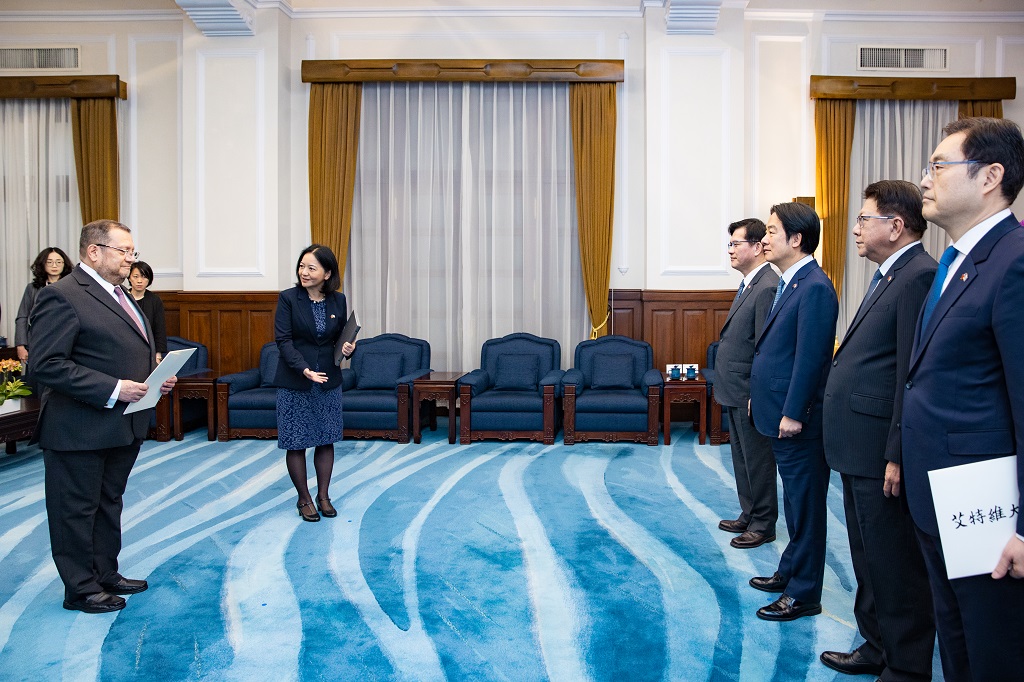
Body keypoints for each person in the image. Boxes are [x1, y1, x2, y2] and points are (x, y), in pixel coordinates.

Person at [902, 116, 1024, 680]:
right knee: (954, 642)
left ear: (990, 176)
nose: (925, 179)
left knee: (990, 650)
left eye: (938, 166)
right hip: (938, 496)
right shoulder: (956, 262)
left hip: (989, 513)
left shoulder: (1014, 259)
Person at [820, 180, 936, 680]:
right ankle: (875, 645)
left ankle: (906, 667)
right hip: (856, 446)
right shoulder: (890, 275)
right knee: (867, 556)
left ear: (895, 225)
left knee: (894, 565)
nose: (855, 229)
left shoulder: (917, 276)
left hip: (878, 451)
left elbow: (912, 373)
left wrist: (896, 451)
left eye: (863, 219)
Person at [29, 219, 176, 614]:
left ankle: (105, 574)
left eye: (133, 252)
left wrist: (154, 380)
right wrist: (114, 388)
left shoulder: (122, 294)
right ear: (94, 251)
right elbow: (46, 364)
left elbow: (121, 349)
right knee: (75, 509)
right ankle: (80, 588)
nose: (132, 258)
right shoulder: (62, 295)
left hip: (121, 425)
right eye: (125, 251)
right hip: (78, 427)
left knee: (108, 502)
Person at [748, 201, 838, 621]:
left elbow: (811, 357)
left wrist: (794, 411)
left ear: (796, 238)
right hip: (776, 410)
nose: (764, 239)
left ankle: (804, 594)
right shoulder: (792, 283)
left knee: (805, 507)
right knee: (794, 503)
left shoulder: (815, 287)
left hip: (797, 421)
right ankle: (790, 571)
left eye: (770, 231)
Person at [274, 244, 354, 523]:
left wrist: (347, 350)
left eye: (311, 267)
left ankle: (323, 496)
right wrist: (304, 369)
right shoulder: (288, 299)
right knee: (296, 441)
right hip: (296, 380)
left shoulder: (338, 300)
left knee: (325, 439)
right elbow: (283, 341)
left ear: (327, 272)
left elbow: (341, 338)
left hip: (328, 381)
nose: (304, 272)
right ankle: (303, 498)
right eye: (301, 266)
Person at [714, 218, 780, 549]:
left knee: (757, 458)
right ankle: (750, 512)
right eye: (729, 244)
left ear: (756, 247)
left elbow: (764, 348)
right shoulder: (749, 283)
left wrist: (758, 394)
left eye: (735, 244)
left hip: (748, 391)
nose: (731, 250)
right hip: (734, 388)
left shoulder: (767, 285)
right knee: (741, 456)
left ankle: (764, 522)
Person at [14, 246, 73, 365]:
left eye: (58, 262)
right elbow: (22, 316)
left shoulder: (72, 287)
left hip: (66, 342)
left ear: (64, 264)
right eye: (49, 262)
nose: (54, 266)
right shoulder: (33, 288)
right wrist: (21, 345)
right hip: (38, 342)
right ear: (43, 264)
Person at [126, 261, 167, 363]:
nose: (139, 281)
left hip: (148, 352)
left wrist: (157, 356)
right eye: (135, 276)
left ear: (149, 280)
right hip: (126, 350)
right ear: (129, 278)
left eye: (144, 277)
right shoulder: (123, 298)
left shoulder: (155, 300)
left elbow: (159, 330)